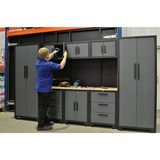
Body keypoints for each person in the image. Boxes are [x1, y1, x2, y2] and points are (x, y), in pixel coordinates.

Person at [35, 47, 67, 131]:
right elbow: (61, 66)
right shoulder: (48, 64)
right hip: (45, 88)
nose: (49, 55)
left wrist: (55, 52)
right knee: (43, 107)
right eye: (48, 54)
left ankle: (45, 121)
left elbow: (48, 58)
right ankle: (40, 125)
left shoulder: (38, 62)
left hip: (40, 87)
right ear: (46, 56)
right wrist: (65, 56)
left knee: (43, 106)